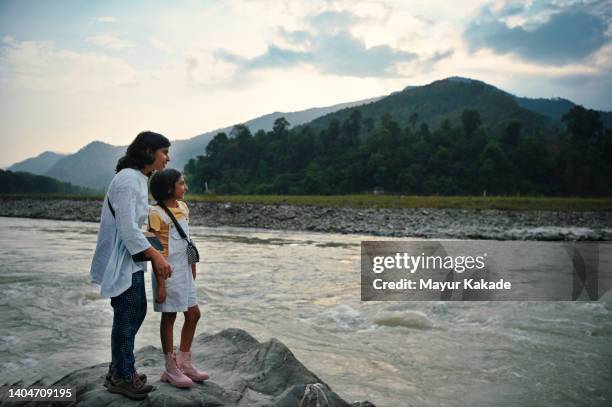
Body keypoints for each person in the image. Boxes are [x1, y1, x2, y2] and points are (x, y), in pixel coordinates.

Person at [90, 131, 173, 400]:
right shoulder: (128, 179)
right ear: (149, 152)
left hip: (130, 257)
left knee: (134, 311)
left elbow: (133, 226)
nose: (167, 158)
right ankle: (123, 376)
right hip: (123, 257)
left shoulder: (137, 178)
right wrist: (157, 255)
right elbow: (127, 228)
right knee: (128, 313)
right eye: (164, 152)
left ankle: (119, 370)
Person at [148, 168, 209, 388]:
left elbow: (187, 240)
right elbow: (157, 251)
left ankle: (184, 361)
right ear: (168, 188)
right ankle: (170, 368)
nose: (186, 187)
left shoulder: (183, 208)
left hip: (185, 270)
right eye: (181, 184)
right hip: (167, 274)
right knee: (169, 317)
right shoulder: (155, 213)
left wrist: (192, 265)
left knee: (193, 314)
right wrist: (161, 285)